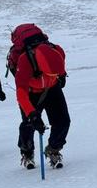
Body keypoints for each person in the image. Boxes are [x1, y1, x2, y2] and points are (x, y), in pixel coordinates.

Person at [8, 24, 70, 169]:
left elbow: (60, 67)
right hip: (31, 92)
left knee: (63, 121)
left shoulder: (58, 50)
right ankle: (27, 153)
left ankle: (53, 149)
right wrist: (32, 114)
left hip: (52, 88)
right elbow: (21, 92)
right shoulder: (25, 61)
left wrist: (61, 76)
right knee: (29, 124)